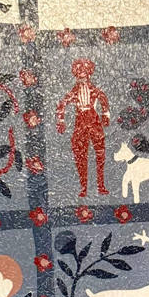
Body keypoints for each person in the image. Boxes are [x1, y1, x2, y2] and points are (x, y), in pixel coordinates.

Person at [56, 58, 111, 198]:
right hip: (80, 121)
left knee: (100, 153)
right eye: (79, 71)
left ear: (89, 73)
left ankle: (101, 185)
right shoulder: (75, 90)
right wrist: (61, 120)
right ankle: (83, 187)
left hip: (93, 119)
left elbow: (103, 98)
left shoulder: (94, 89)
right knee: (81, 154)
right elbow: (62, 103)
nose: (82, 74)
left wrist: (106, 114)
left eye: (85, 71)